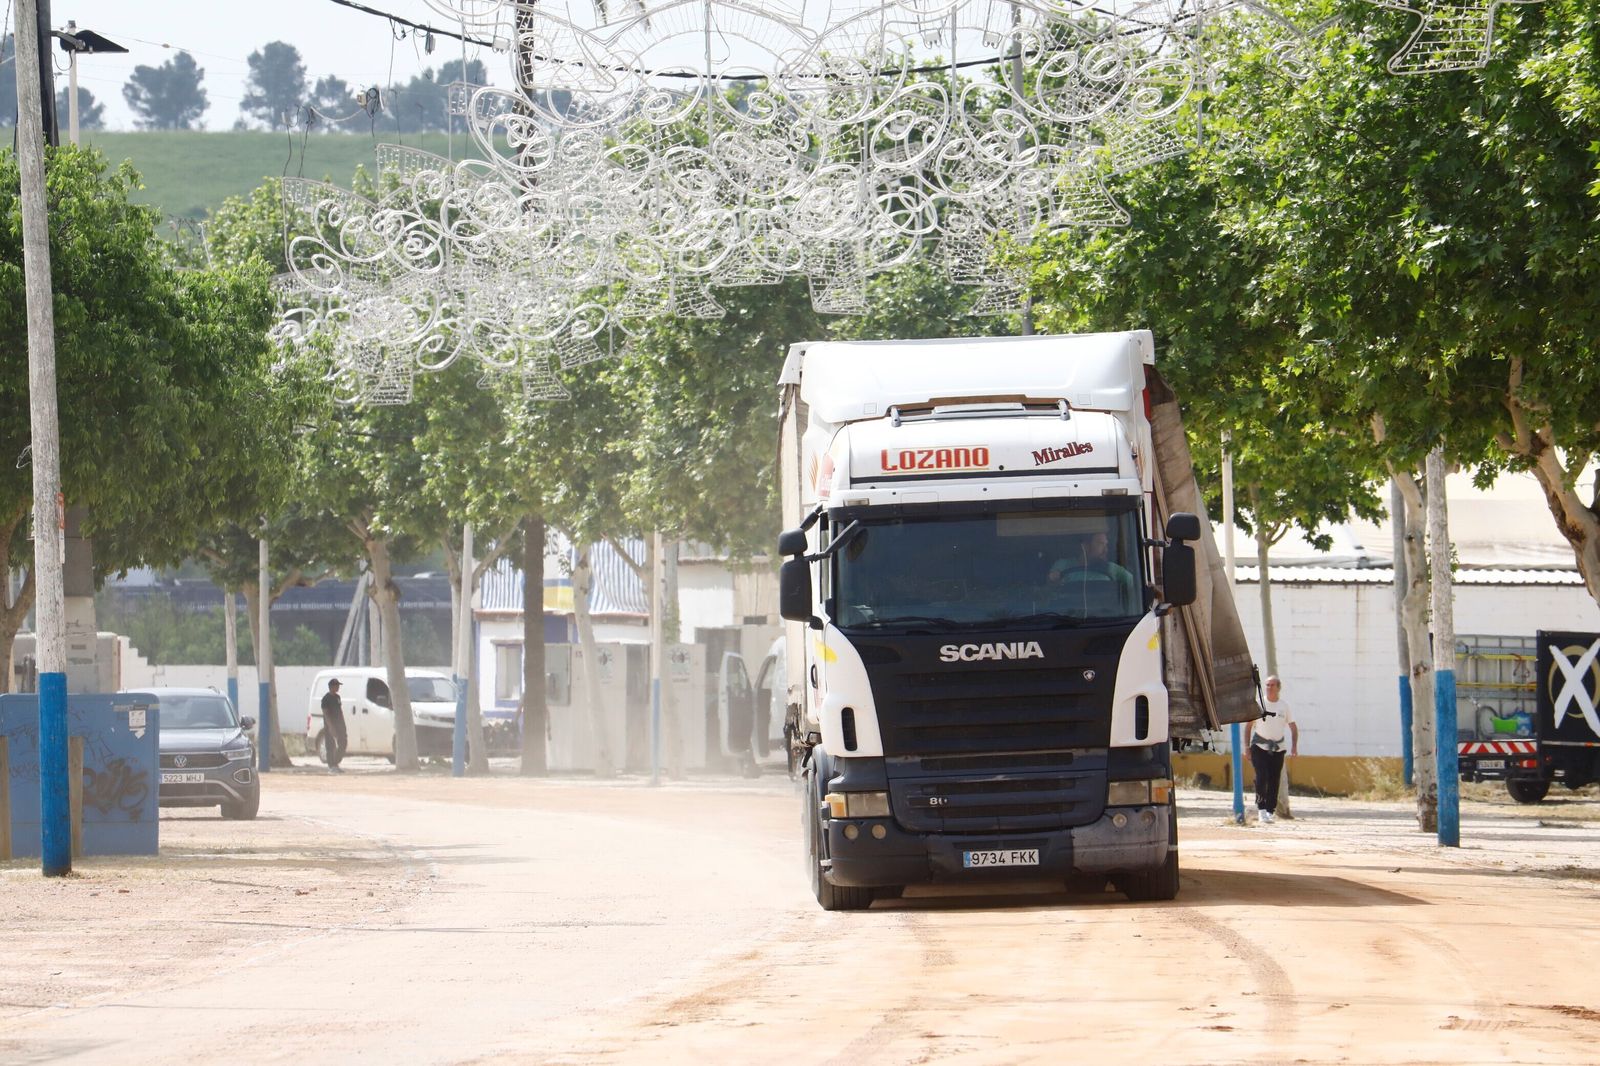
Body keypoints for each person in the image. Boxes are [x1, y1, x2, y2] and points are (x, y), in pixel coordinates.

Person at [1244, 675, 1298, 823]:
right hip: (1259, 747)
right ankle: (1261, 808)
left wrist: (1294, 746)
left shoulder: (1284, 706)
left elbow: (1293, 726)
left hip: (1278, 748)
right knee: (1262, 776)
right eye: (1267, 685)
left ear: (1278, 688)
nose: (1269, 687)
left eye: (1272, 685)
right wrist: (1247, 748)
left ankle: (1270, 810)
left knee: (1275, 779)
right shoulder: (1259, 704)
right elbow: (1248, 727)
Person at [1048, 528, 1139, 613]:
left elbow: (1135, 585)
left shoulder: (1111, 568)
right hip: (1068, 619)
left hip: (1107, 619)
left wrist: (1150, 589)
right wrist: (1053, 578)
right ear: (1085, 546)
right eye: (1100, 544)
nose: (1106, 550)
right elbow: (1049, 588)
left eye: (1106, 545)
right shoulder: (1063, 565)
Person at [320, 678, 347, 774]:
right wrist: (331, 727)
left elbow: (340, 711)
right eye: (336, 685)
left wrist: (343, 724)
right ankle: (331, 766)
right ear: (331, 687)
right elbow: (326, 714)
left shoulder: (337, 697)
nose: (338, 687)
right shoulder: (325, 699)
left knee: (343, 743)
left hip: (339, 724)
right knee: (330, 745)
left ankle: (336, 762)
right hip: (330, 725)